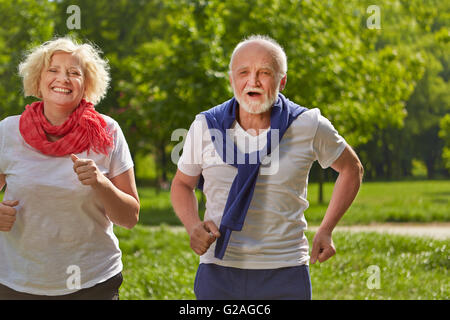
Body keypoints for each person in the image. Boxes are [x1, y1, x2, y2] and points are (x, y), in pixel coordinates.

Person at [171, 35, 364, 300]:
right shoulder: (205, 126)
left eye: (265, 73)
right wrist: (193, 225)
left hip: (286, 271)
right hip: (219, 270)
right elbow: (182, 184)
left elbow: (352, 169)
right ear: (231, 80)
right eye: (243, 73)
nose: (253, 81)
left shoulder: (307, 124)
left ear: (282, 81)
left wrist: (326, 229)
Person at [0, 37, 140, 300]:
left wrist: (101, 183)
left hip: (93, 281)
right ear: (38, 80)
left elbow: (130, 217)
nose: (62, 78)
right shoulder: (7, 131)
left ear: (86, 85)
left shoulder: (106, 131)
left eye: (74, 73)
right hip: (17, 282)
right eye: (53, 70)